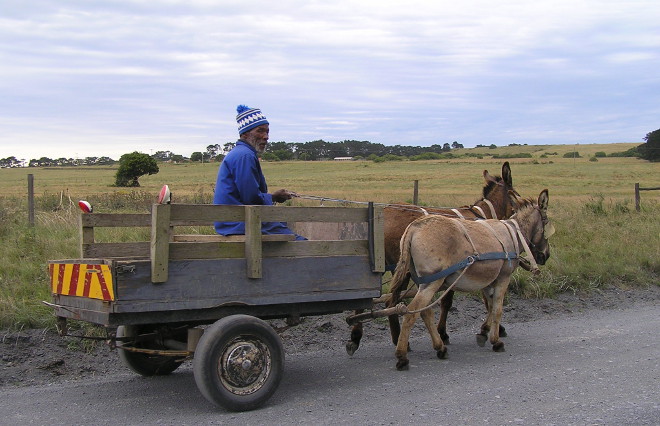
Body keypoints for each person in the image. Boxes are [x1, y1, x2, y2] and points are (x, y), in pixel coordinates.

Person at [213, 104, 305, 240]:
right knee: (302, 245)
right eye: (260, 131)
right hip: (241, 223)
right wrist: (273, 197)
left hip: (235, 221)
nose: (266, 136)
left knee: (283, 227)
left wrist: (272, 197)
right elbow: (251, 198)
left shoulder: (242, 153)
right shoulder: (245, 156)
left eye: (267, 132)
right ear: (245, 133)